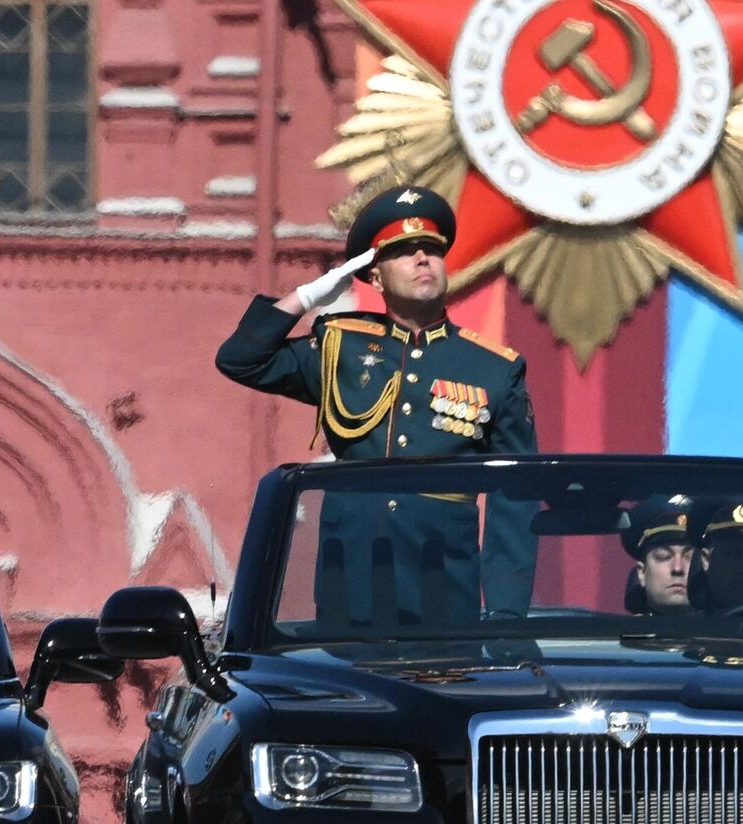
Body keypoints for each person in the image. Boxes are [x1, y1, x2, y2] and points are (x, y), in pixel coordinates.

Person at [214, 185, 539, 622]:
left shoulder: (493, 369)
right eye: (404, 252)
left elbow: (516, 499)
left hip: (441, 586)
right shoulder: (339, 347)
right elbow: (241, 360)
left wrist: (505, 611)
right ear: (375, 276)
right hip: (349, 581)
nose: (423, 259)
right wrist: (307, 297)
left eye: (432, 250)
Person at [621, 495, 695, 615]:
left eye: (690, 557)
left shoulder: (732, 630)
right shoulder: (616, 633)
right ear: (641, 572)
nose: (678, 568)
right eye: (664, 555)